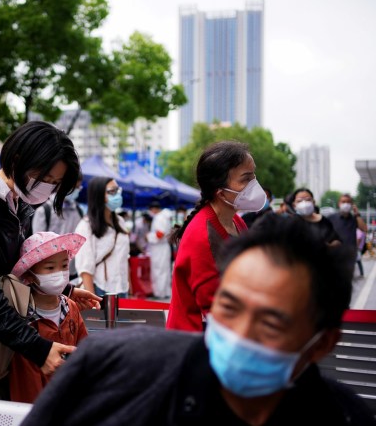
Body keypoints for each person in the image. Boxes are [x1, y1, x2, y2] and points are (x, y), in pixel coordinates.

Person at [21, 214, 375, 426]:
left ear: (323, 342)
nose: (240, 334)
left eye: (271, 323)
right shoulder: (116, 370)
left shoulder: (347, 418)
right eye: (229, 308)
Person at [0, 120, 101, 399]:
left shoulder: (16, 202)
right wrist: (36, 348)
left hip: (0, 334)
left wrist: (66, 289)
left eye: (54, 183)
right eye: (43, 177)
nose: (46, 188)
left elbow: (17, 269)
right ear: (17, 160)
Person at [167, 141, 263, 332]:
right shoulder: (202, 235)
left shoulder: (236, 222)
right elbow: (214, 306)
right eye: (245, 179)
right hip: (198, 341)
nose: (254, 185)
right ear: (220, 191)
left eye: (254, 177)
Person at [8, 231, 88, 403]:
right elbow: (26, 384)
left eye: (64, 266)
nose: (59, 273)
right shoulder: (23, 322)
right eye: (50, 268)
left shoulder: (70, 306)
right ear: (29, 275)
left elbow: (85, 351)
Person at [74, 176, 131, 298]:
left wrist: (129, 288)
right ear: (98, 195)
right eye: (112, 191)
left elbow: (124, 258)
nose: (117, 195)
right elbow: (85, 269)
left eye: (118, 190)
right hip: (100, 289)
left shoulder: (120, 221)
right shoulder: (85, 226)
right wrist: (92, 301)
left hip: (122, 287)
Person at [31, 171, 85, 281]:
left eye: (79, 188)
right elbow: (38, 248)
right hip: (52, 275)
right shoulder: (44, 211)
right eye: (74, 187)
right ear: (61, 185)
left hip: (73, 273)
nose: (76, 191)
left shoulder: (78, 211)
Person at [328, 194, 368, 277]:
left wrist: (357, 214)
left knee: (347, 282)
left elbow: (364, 229)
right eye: (343, 202)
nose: (346, 204)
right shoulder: (331, 218)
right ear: (339, 203)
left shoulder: (354, 219)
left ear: (352, 205)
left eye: (348, 202)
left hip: (350, 256)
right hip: (334, 255)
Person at [146, 201, 174, 300]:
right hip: (163, 247)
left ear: (153, 209)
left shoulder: (159, 218)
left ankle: (159, 293)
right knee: (164, 270)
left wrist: (149, 236)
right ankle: (165, 292)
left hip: (159, 248)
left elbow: (160, 234)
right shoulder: (165, 217)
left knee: (158, 270)